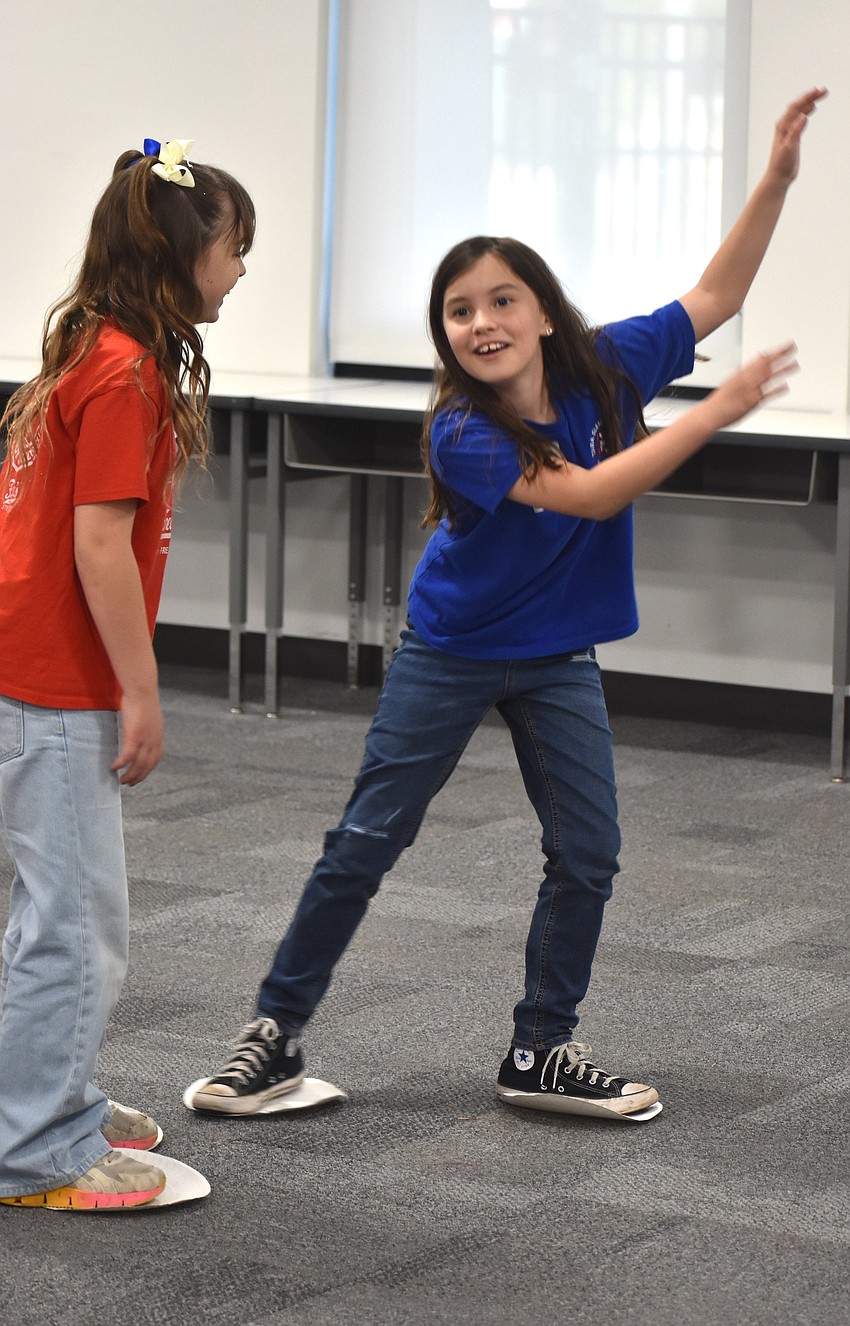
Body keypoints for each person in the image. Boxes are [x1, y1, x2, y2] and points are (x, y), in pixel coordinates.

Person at [192, 88, 824, 1121]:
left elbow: (714, 293)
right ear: (446, 335)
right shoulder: (463, 432)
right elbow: (591, 492)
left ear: (540, 310)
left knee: (588, 852)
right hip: (452, 649)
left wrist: (776, 181)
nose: (481, 322)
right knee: (367, 840)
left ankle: (540, 1051)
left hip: (558, 653)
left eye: (500, 300)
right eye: (458, 310)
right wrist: (717, 408)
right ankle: (274, 1035)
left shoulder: (606, 367)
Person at [0, 139, 254, 1208]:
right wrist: (139, 692)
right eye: (236, 249)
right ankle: (39, 1149)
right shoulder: (125, 371)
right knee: (76, 929)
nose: (241, 271)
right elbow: (100, 544)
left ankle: (38, 1090)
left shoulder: (89, 347)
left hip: (24, 667)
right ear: (181, 253)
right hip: (54, 684)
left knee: (39, 910)